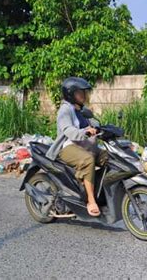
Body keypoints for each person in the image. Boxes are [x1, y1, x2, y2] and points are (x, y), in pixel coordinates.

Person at [46, 77, 108, 217]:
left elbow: (94, 123)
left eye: (84, 92)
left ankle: (100, 190)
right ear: (71, 94)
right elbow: (69, 130)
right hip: (67, 146)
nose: (83, 96)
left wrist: (103, 129)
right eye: (80, 92)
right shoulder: (65, 110)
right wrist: (84, 132)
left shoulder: (82, 110)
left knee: (108, 157)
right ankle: (90, 200)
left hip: (83, 144)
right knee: (88, 160)